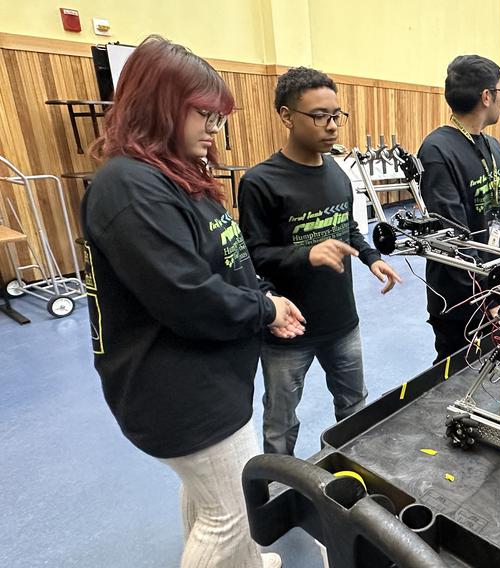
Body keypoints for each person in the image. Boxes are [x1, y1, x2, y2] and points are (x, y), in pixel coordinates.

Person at [83, 36, 304, 568]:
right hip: (177, 389)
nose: (214, 129)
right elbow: (187, 296)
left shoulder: (175, 174)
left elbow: (226, 260)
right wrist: (264, 311)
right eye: (203, 114)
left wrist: (264, 296)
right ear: (158, 107)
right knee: (231, 513)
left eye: (218, 117)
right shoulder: (130, 187)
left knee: (213, 497)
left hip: (209, 375)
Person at [239, 67, 401, 456]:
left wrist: (370, 258)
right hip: (288, 330)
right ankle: (277, 495)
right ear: (286, 115)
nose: (332, 126)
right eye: (319, 116)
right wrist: (305, 254)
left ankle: (351, 474)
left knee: (354, 408)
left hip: (342, 323)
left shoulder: (337, 175)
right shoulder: (260, 182)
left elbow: (347, 230)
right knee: (281, 422)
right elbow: (252, 257)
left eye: (336, 116)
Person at [418, 54, 500, 363]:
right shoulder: (437, 150)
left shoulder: (492, 146)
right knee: (456, 374)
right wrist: (485, 296)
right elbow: (452, 240)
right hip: (462, 300)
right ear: (487, 96)